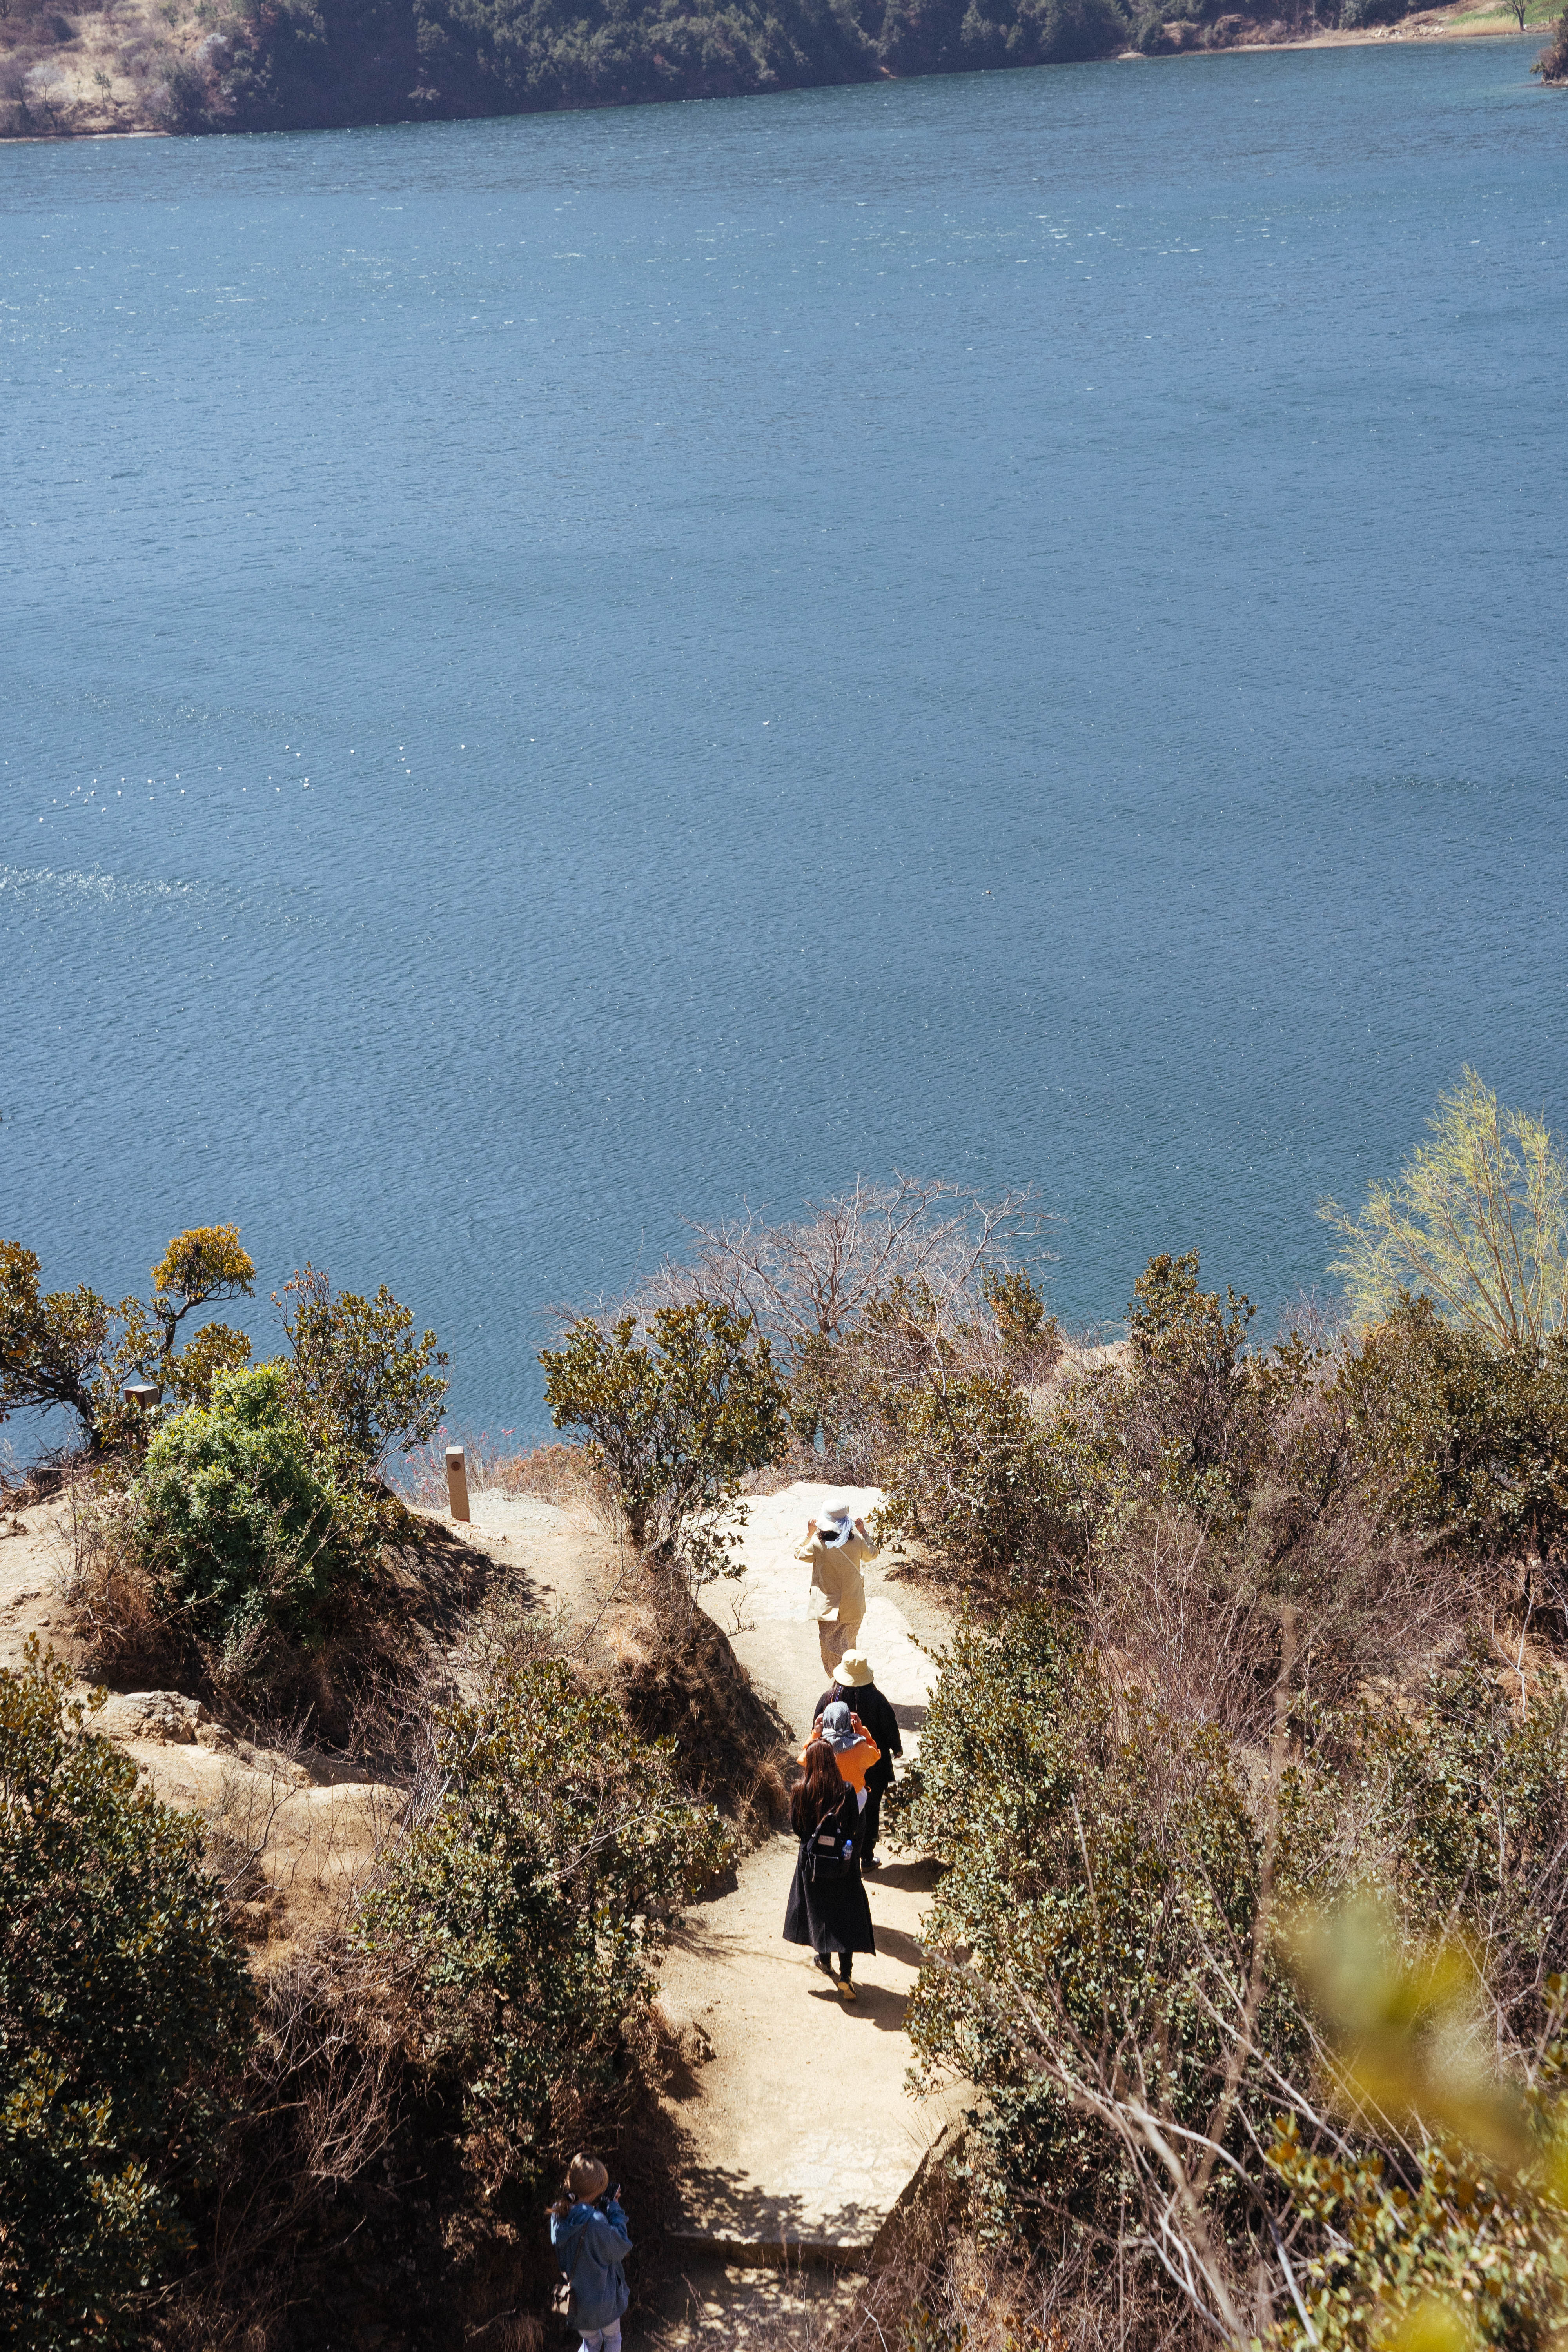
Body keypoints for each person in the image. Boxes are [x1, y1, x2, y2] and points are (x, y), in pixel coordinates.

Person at [783, 1737, 877, 2002]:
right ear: (832, 1762)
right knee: (844, 1916)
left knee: (819, 1912)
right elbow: (852, 1827)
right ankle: (846, 1976)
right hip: (840, 1863)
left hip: (812, 1864)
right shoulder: (846, 1791)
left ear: (811, 1763)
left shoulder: (800, 1790)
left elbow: (798, 1828)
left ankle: (825, 1961)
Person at [812, 1650, 902, 1870]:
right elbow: (889, 1724)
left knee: (836, 1808)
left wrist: (817, 1737)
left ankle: (834, 1851)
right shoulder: (877, 1698)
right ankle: (866, 1856)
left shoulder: (829, 1698)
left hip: (837, 1768)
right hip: (871, 1766)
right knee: (869, 1811)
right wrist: (897, 1748)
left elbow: (816, 1723)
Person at [549, 2153, 632, 2352]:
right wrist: (613, 2206)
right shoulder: (596, 2221)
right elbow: (620, 2245)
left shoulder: (558, 2212)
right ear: (597, 2191)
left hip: (576, 2304)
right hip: (603, 2303)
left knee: (591, 2344)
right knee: (613, 2340)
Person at [794, 1505, 877, 1675]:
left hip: (828, 1609)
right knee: (849, 1646)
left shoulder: (818, 1544)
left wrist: (809, 1534)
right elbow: (873, 1553)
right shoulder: (857, 1542)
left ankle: (837, 1684)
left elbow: (799, 1553)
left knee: (830, 1650)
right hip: (853, 1605)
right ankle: (852, 1681)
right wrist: (864, 1532)